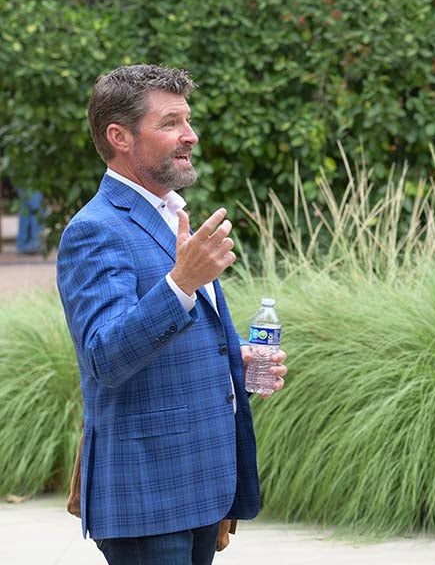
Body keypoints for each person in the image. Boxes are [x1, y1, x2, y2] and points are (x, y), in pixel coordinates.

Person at [57, 64, 288, 565]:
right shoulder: (95, 229)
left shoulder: (169, 214)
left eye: (187, 120)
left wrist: (235, 362)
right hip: (147, 494)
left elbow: (169, 340)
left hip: (201, 483)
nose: (191, 135)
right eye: (170, 123)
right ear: (119, 137)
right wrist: (181, 282)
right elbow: (103, 356)